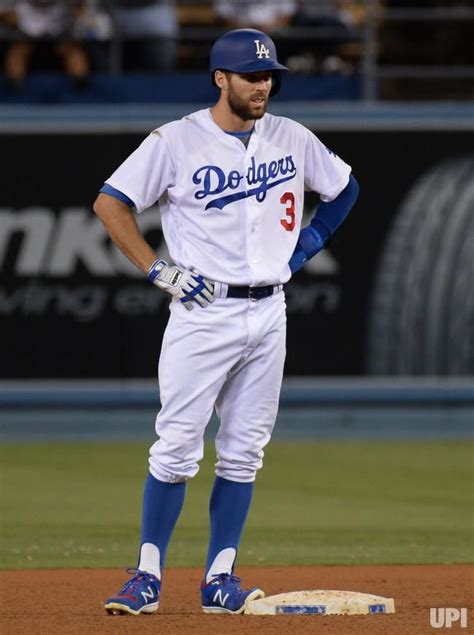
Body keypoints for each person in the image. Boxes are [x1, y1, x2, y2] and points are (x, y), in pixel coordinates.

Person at [93, 28, 359, 616]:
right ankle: (145, 576)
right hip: (202, 312)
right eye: (251, 76)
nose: (262, 85)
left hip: (270, 310)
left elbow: (344, 188)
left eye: (268, 76)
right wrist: (158, 269)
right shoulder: (176, 141)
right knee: (177, 447)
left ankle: (220, 578)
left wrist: (309, 242)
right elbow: (110, 202)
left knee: (244, 452)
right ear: (221, 78)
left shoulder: (290, 136)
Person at [3, 0, 89, 91]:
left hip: (60, 31)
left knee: (72, 51)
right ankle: (14, 88)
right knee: (18, 52)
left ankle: (81, 87)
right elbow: (6, 14)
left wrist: (77, 18)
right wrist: (11, 19)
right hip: (26, 32)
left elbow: (79, 10)